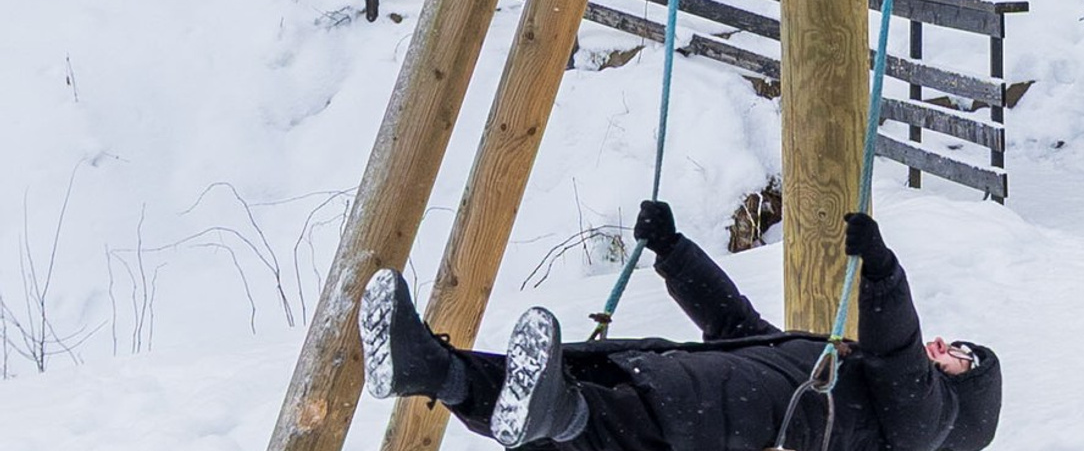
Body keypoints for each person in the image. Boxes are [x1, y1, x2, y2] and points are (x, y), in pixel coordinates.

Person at [361, 206, 1002, 451]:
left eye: (961, 358)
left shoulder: (925, 426)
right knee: (538, 388)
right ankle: (426, 366)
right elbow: (735, 324)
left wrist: (883, 274)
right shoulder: (836, 369)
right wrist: (674, 251)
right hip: (684, 388)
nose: (946, 346)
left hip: (705, 421)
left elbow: (898, 356)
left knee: (587, 414)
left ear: (960, 398)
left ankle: (554, 415)